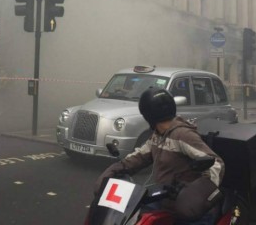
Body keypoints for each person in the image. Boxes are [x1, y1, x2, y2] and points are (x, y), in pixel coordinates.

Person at [94, 87, 224, 225]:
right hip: (164, 200)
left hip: (189, 207)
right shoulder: (158, 135)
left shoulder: (182, 135)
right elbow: (140, 155)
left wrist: (194, 193)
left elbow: (216, 162)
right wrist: (117, 168)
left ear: (147, 115)